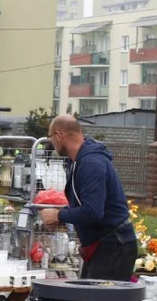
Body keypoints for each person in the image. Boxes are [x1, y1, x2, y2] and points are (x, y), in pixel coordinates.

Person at [40, 114, 137, 280]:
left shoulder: (91, 163)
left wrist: (58, 215)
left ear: (59, 135)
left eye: (50, 137)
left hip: (114, 246)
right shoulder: (78, 161)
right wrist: (61, 219)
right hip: (104, 245)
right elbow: (85, 206)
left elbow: (92, 211)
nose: (52, 143)